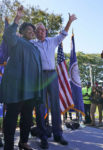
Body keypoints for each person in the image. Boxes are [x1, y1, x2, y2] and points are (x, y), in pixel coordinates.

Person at [31, 13, 77, 149]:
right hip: (39, 76)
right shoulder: (32, 44)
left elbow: (63, 34)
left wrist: (69, 21)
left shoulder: (52, 41)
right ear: (35, 32)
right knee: (40, 107)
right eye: (38, 30)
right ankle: (43, 136)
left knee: (55, 105)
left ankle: (58, 134)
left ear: (46, 31)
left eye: (43, 30)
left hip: (52, 75)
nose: (41, 32)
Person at [0, 6, 43, 150]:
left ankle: (23, 142)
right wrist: (17, 18)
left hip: (30, 90)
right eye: (28, 30)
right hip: (16, 88)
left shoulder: (36, 49)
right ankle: (8, 146)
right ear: (22, 32)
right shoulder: (17, 42)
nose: (32, 32)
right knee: (11, 118)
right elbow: (7, 35)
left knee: (27, 118)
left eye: (33, 31)